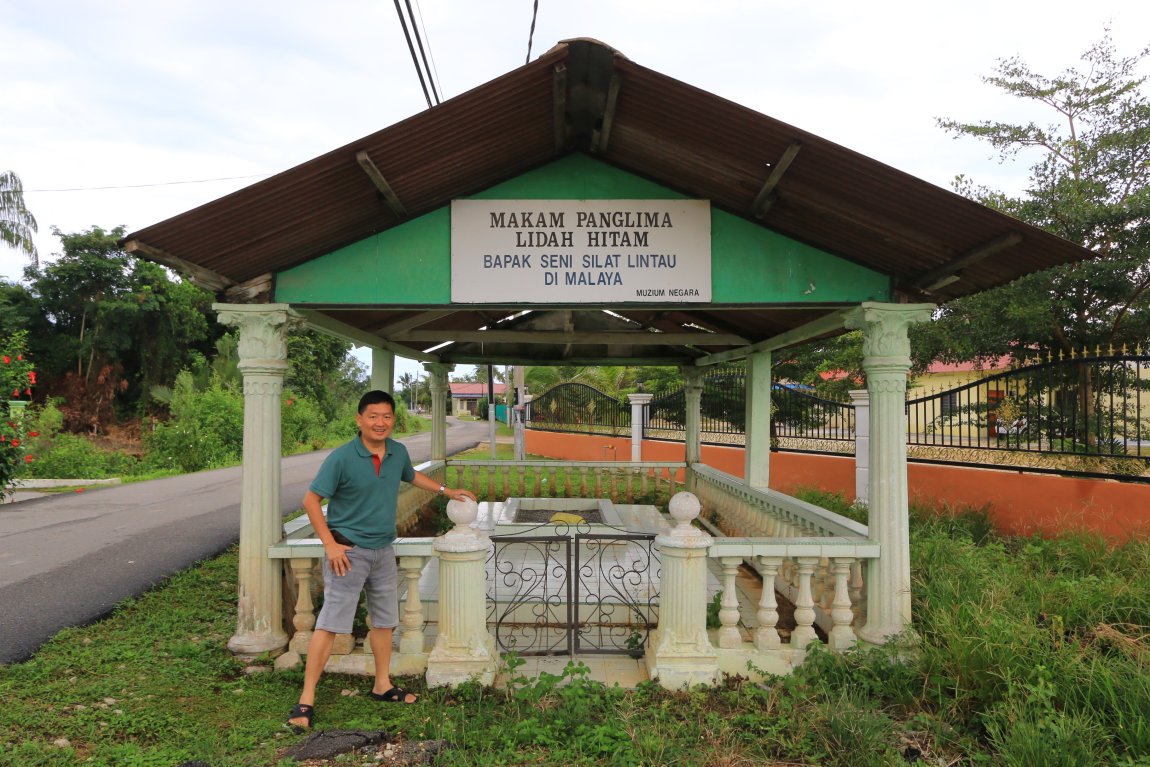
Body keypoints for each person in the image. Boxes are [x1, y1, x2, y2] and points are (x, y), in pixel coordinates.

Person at [288, 390, 477, 732]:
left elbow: (411, 475)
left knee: (385, 623)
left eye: (386, 416)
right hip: (348, 552)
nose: (380, 422)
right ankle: (306, 698)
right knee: (330, 625)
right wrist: (329, 544)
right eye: (373, 416)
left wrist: (446, 491)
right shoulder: (342, 458)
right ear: (359, 419)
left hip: (383, 552)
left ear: (393, 419)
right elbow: (311, 500)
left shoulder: (397, 452)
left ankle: (382, 684)